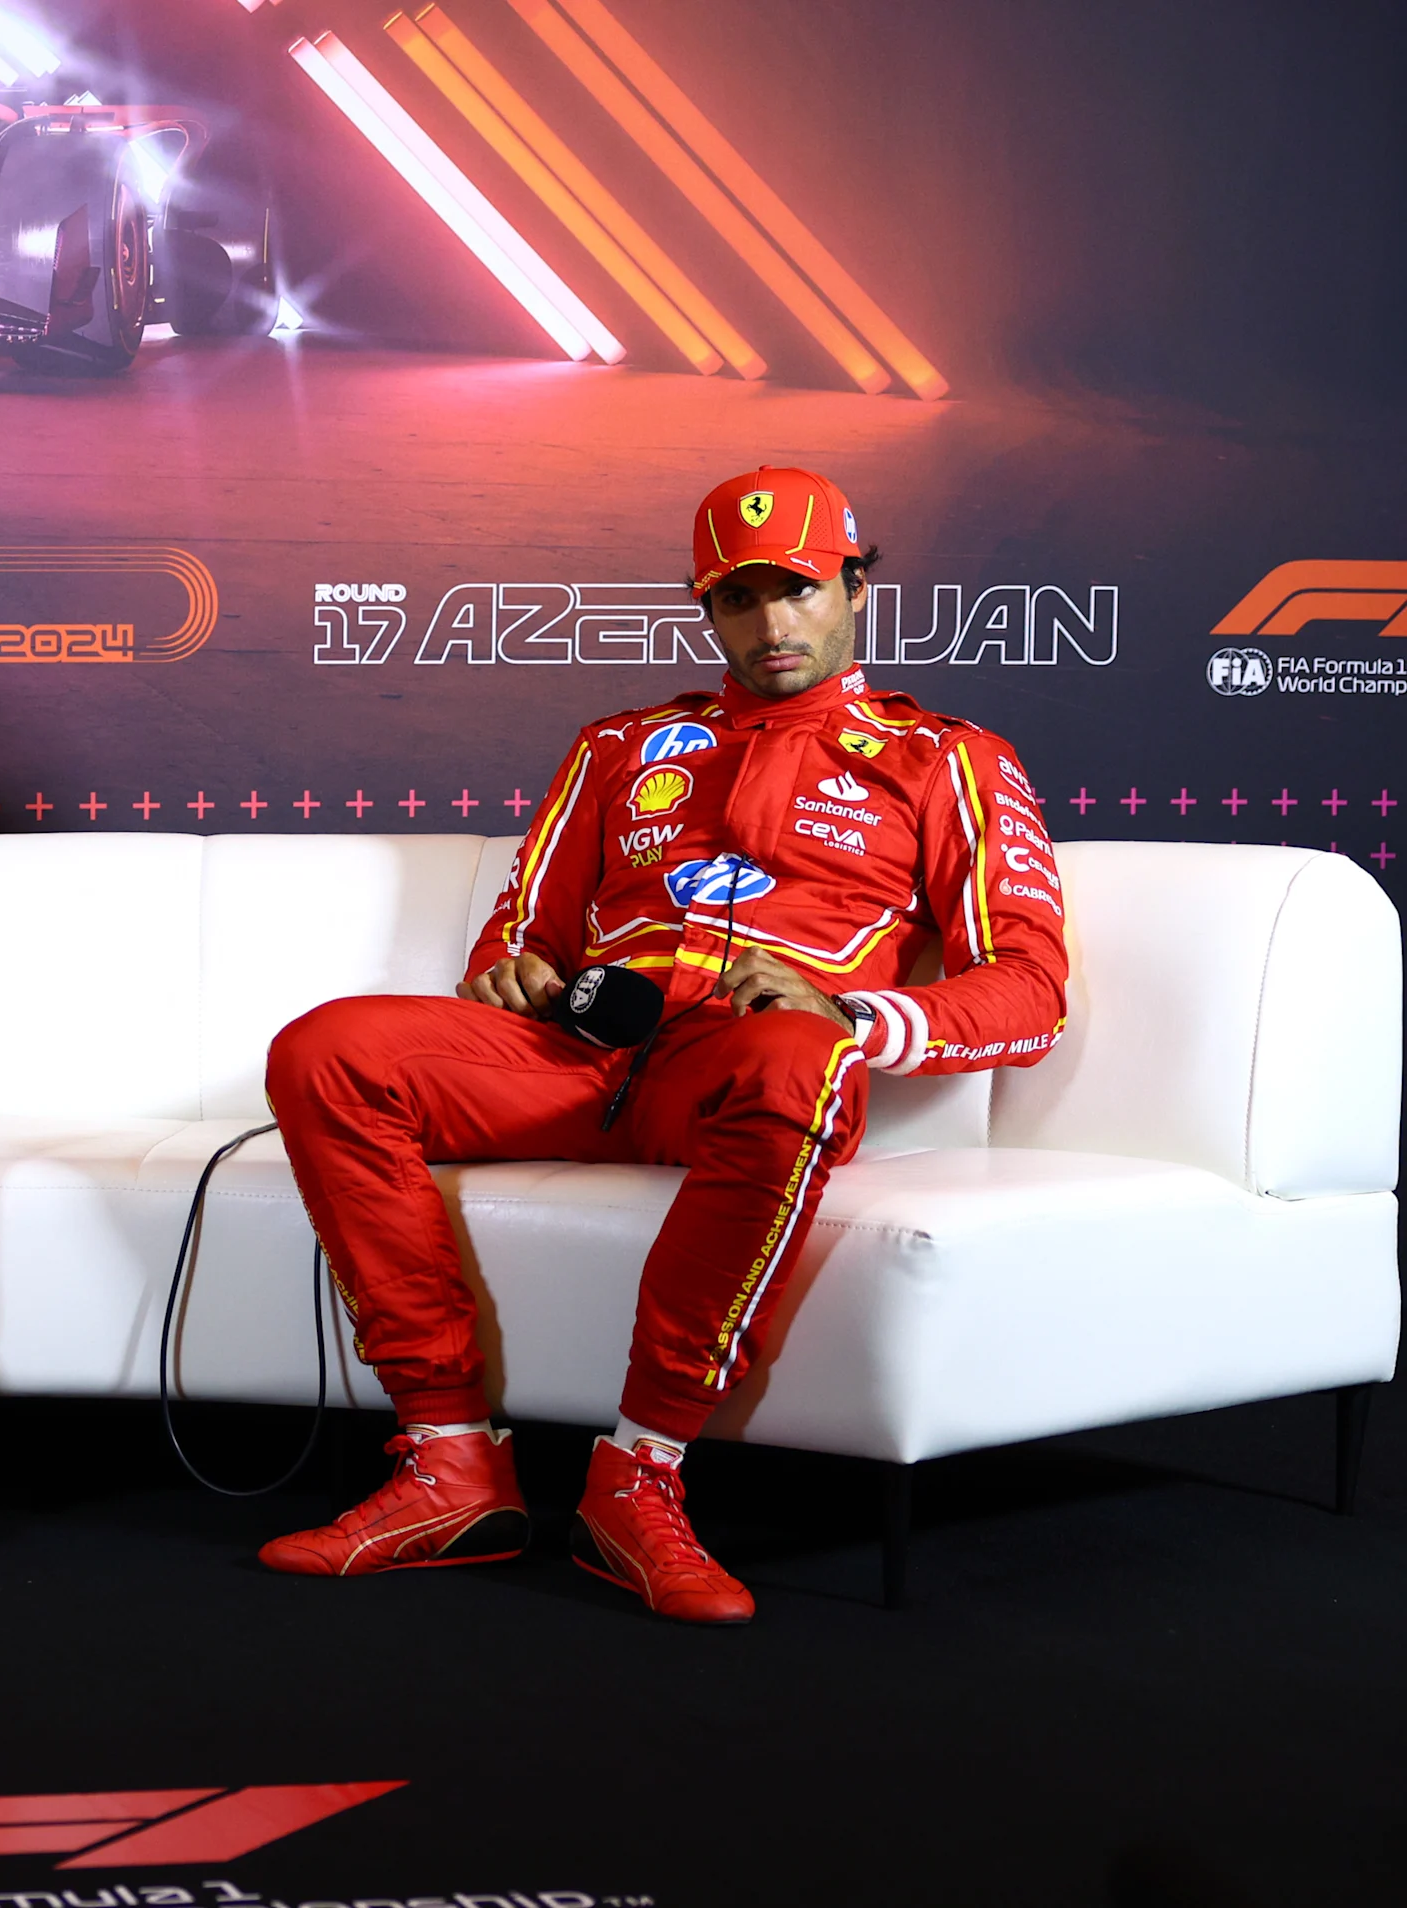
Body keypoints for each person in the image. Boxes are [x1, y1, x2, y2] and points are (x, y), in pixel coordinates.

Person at [255, 467, 1070, 1623]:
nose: (770, 625)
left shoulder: (945, 759)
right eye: (736, 601)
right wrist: (513, 973)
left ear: (852, 583)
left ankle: (637, 1480)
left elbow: (1030, 990)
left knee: (795, 1057)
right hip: (579, 1060)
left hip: (743, 1072)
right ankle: (447, 1463)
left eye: (795, 590)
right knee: (327, 1050)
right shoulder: (617, 746)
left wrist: (848, 1013)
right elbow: (519, 930)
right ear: (704, 610)